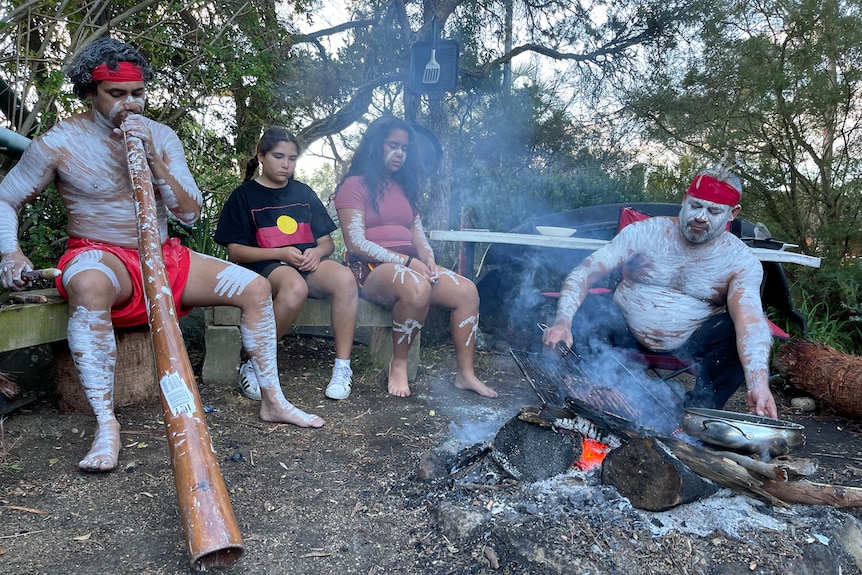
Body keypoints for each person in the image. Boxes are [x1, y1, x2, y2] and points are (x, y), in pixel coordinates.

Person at [0, 38, 324, 473]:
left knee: (257, 287)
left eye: (137, 93)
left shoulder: (161, 136)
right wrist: (11, 253)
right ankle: (106, 424)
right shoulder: (60, 141)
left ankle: (273, 400)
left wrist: (152, 157)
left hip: (165, 255)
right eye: (117, 94)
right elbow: (6, 198)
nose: (129, 103)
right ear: (90, 92)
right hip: (100, 254)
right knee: (88, 284)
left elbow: (189, 214)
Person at [542, 167, 778, 419]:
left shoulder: (740, 260)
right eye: (695, 205)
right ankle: (583, 398)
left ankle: (694, 417)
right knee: (591, 310)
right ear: (684, 199)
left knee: (732, 331)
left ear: (733, 213)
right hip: (624, 328)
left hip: (691, 340)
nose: (700, 217)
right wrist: (562, 322)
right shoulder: (647, 232)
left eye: (713, 211)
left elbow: (750, 321)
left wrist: (758, 383)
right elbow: (585, 272)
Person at [333, 115, 497, 399]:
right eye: (393, 145)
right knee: (416, 287)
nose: (400, 154)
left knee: (467, 291)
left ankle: (465, 374)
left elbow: (417, 233)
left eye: (405, 148)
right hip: (370, 270)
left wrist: (429, 260)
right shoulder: (354, 185)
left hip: (411, 266)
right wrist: (408, 263)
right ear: (376, 146)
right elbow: (356, 242)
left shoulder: (406, 187)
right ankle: (399, 363)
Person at [214, 127, 358, 400]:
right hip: (264, 267)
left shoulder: (303, 192)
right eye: (279, 156)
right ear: (261, 156)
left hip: (306, 263)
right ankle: (255, 364)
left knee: (344, 279)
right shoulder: (243, 196)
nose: (285, 164)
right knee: (294, 287)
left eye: (292, 158)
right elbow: (235, 252)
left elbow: (326, 243)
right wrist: (279, 252)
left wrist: (317, 252)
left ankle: (342, 368)